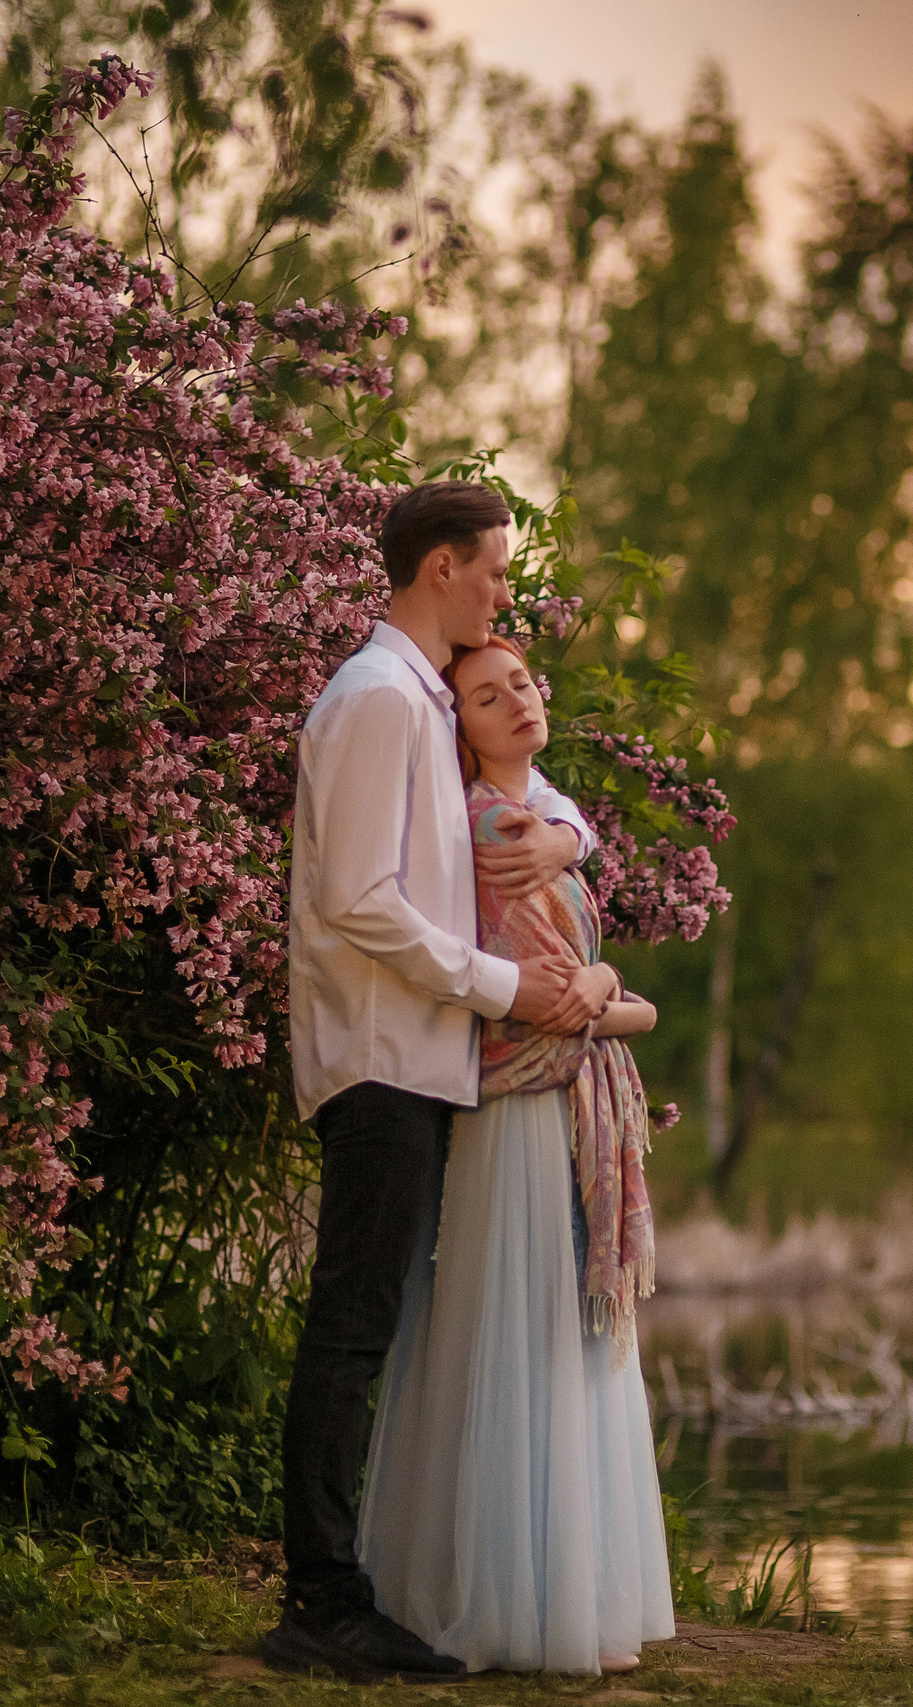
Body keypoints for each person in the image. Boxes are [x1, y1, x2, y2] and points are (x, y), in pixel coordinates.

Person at [267, 482, 620, 1683]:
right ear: (439, 570)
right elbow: (358, 901)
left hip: (423, 1053)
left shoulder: (423, 699)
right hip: (379, 1050)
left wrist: (567, 839)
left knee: (375, 1320)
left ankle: (359, 1583)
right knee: (355, 1324)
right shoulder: (374, 701)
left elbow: (534, 799)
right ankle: (319, 1600)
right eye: (494, 571)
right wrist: (502, 988)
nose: (504, 592)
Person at [358, 633, 677, 1673]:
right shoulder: (491, 829)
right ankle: (521, 1599)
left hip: (549, 1101)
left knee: (542, 1337)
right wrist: (605, 993)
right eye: (490, 698)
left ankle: (531, 1587)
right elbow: (570, 1004)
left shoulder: (544, 821)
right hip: (527, 1108)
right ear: (463, 726)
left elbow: (600, 992)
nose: (518, 704)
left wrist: (603, 982)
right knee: (535, 1335)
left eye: (524, 686)